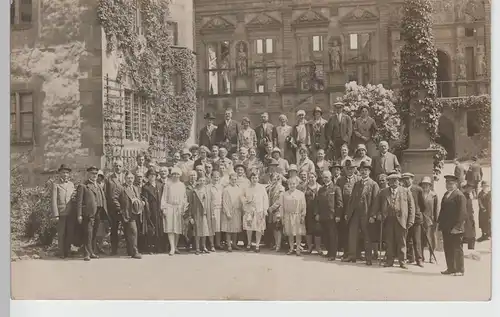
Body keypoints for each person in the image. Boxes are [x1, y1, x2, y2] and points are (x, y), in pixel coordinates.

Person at [343, 161, 379, 265]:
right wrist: (348, 212)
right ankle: (352, 255)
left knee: (367, 235)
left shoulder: (373, 184)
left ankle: (368, 258)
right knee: (352, 234)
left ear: (369, 172)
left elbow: (375, 202)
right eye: (362, 170)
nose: (363, 172)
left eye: (366, 170)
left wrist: (373, 215)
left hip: (366, 214)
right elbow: (351, 199)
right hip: (355, 213)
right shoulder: (357, 184)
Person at [376, 173, 415, 269]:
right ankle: (389, 261)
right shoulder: (383, 192)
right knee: (389, 241)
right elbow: (377, 205)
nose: (393, 182)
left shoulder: (405, 191)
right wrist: (378, 214)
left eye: (395, 180)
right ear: (388, 182)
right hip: (388, 219)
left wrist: (410, 220)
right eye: (391, 180)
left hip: (401, 220)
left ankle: (402, 261)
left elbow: (411, 207)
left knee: (402, 241)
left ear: (399, 181)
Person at [76, 166, 107, 261]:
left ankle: (92, 251)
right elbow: (79, 202)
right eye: (92, 173)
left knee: (94, 233)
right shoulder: (83, 186)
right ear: (88, 174)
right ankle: (86, 253)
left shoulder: (98, 185)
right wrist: (79, 214)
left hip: (98, 212)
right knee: (88, 233)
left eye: (96, 174)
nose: (94, 175)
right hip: (89, 213)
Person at [438, 175, 467, 276]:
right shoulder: (446, 194)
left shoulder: (459, 195)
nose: (448, 185)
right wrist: (440, 224)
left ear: (456, 184)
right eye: (447, 183)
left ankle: (459, 270)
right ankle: (451, 268)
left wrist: (458, 227)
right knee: (448, 248)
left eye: (451, 183)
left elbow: (462, 213)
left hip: (456, 228)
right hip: (446, 227)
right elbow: (442, 211)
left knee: (457, 249)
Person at [113, 171, 144, 259]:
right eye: (128, 178)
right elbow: (114, 199)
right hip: (126, 213)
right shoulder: (121, 187)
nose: (130, 180)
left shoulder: (135, 188)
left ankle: (130, 251)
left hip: (135, 213)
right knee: (133, 232)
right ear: (125, 179)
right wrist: (120, 209)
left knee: (129, 233)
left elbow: (138, 198)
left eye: (131, 178)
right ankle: (135, 252)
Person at [160, 167, 189, 256]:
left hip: (179, 208)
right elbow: (164, 197)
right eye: (174, 174)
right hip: (170, 207)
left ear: (180, 175)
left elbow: (184, 197)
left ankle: (175, 246)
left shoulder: (182, 185)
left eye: (177, 174)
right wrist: (164, 208)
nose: (175, 176)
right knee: (170, 228)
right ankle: (172, 247)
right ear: (171, 175)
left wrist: (184, 208)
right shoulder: (168, 185)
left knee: (177, 228)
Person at [51, 164, 76, 258]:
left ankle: (67, 250)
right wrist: (55, 214)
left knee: (70, 232)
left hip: (70, 213)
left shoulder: (71, 184)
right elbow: (53, 200)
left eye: (67, 173)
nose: (65, 174)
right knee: (61, 233)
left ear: (69, 174)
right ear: (59, 173)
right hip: (61, 212)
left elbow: (73, 198)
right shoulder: (55, 184)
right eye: (63, 172)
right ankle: (61, 252)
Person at [317, 170, 343, 261]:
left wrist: (338, 215)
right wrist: (317, 214)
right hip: (323, 217)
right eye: (324, 177)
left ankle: (333, 254)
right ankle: (328, 252)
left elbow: (339, 204)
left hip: (332, 217)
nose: (325, 179)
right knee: (325, 235)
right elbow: (317, 203)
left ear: (331, 177)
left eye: (327, 177)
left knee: (333, 236)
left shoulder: (336, 188)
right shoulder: (321, 189)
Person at [401, 172, 426, 267]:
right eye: (404, 179)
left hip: (416, 218)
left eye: (408, 178)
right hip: (404, 218)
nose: (406, 181)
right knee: (407, 239)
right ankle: (410, 257)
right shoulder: (401, 190)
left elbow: (423, 205)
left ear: (412, 179)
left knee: (416, 239)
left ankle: (419, 259)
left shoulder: (418, 189)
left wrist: (418, 213)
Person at [242, 172, 269, 252]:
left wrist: (265, 209)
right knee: (249, 228)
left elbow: (265, 199)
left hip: (259, 210)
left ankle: (257, 244)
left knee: (259, 228)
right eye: (253, 178)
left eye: (256, 178)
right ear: (250, 179)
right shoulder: (246, 188)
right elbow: (242, 196)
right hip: (249, 211)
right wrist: (246, 200)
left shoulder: (261, 188)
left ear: (258, 178)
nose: (254, 179)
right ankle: (249, 243)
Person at [336, 159, 358, 258]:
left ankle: (356, 252)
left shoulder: (358, 179)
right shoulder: (340, 180)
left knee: (355, 232)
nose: (350, 170)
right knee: (344, 231)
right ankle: (346, 252)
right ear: (345, 169)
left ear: (354, 169)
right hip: (343, 208)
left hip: (355, 210)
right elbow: (338, 196)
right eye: (348, 168)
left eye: (352, 168)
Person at [280, 177, 307, 256]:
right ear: (288, 185)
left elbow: (304, 206)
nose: (292, 185)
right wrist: (282, 217)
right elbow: (282, 206)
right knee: (290, 233)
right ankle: (291, 248)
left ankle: (298, 248)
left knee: (298, 233)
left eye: (294, 184)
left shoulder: (300, 194)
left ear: (296, 184)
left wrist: (303, 215)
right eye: (290, 184)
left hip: (297, 215)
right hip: (288, 215)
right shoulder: (284, 194)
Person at [104, 160, 125, 256]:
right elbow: (106, 194)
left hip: (125, 207)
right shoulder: (109, 179)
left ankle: (129, 249)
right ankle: (114, 249)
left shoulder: (126, 177)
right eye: (116, 165)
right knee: (114, 229)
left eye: (120, 166)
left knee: (128, 228)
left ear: (123, 167)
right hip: (113, 208)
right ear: (113, 167)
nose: (118, 167)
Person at [141, 169, 163, 254]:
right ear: (148, 176)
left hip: (159, 209)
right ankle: (150, 248)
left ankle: (158, 247)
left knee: (159, 228)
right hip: (150, 209)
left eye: (154, 175)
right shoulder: (145, 187)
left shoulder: (160, 185)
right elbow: (145, 199)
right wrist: (147, 210)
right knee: (151, 229)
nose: (152, 176)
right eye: (150, 175)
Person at [190, 174, 213, 254]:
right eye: (200, 180)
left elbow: (210, 202)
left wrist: (211, 212)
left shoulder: (207, 190)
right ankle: (197, 248)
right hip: (197, 213)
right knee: (197, 231)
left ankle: (204, 246)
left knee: (205, 231)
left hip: (205, 213)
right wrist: (191, 216)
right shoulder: (194, 191)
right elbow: (191, 204)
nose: (202, 182)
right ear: (197, 181)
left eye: (204, 180)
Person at [222, 173, 243, 252]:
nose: (234, 181)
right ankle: (229, 245)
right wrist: (227, 212)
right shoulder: (226, 189)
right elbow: (225, 202)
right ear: (229, 180)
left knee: (235, 228)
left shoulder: (238, 188)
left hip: (237, 211)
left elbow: (240, 200)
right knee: (228, 229)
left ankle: (234, 244)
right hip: (229, 211)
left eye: (235, 179)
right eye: (232, 179)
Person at [420, 176, 439, 263]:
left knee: (431, 238)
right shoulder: (419, 194)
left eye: (427, 185)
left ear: (430, 185)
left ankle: (431, 256)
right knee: (421, 238)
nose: (425, 186)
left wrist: (436, 220)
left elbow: (436, 209)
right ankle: (421, 256)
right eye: (423, 185)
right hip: (421, 219)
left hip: (431, 220)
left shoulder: (434, 195)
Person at [304, 171, 322, 254]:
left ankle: (318, 247)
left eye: (312, 177)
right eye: (309, 177)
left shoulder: (320, 187)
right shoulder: (305, 187)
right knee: (308, 229)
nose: (311, 179)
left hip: (317, 211)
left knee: (318, 229)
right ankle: (309, 246)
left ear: (316, 177)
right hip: (307, 211)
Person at [266, 172, 285, 252]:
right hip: (271, 211)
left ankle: (278, 245)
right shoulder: (270, 188)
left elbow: (279, 200)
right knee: (274, 228)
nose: (275, 180)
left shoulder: (281, 188)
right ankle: (276, 244)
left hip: (277, 210)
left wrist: (272, 208)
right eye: (273, 179)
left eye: (276, 179)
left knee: (278, 228)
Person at [209, 171, 224, 250]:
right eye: (214, 177)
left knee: (218, 228)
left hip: (220, 209)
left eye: (217, 177)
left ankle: (218, 243)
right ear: (211, 177)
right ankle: (212, 245)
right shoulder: (208, 187)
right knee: (212, 227)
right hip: (212, 209)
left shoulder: (222, 187)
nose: (216, 178)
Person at [462, 182, 476, 252]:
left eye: (471, 189)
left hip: (470, 217)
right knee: (467, 234)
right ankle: (468, 249)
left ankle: (471, 249)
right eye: (469, 188)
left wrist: (472, 213)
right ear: (465, 188)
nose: (470, 190)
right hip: (465, 217)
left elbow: (471, 207)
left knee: (472, 234)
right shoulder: (463, 196)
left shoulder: (469, 196)